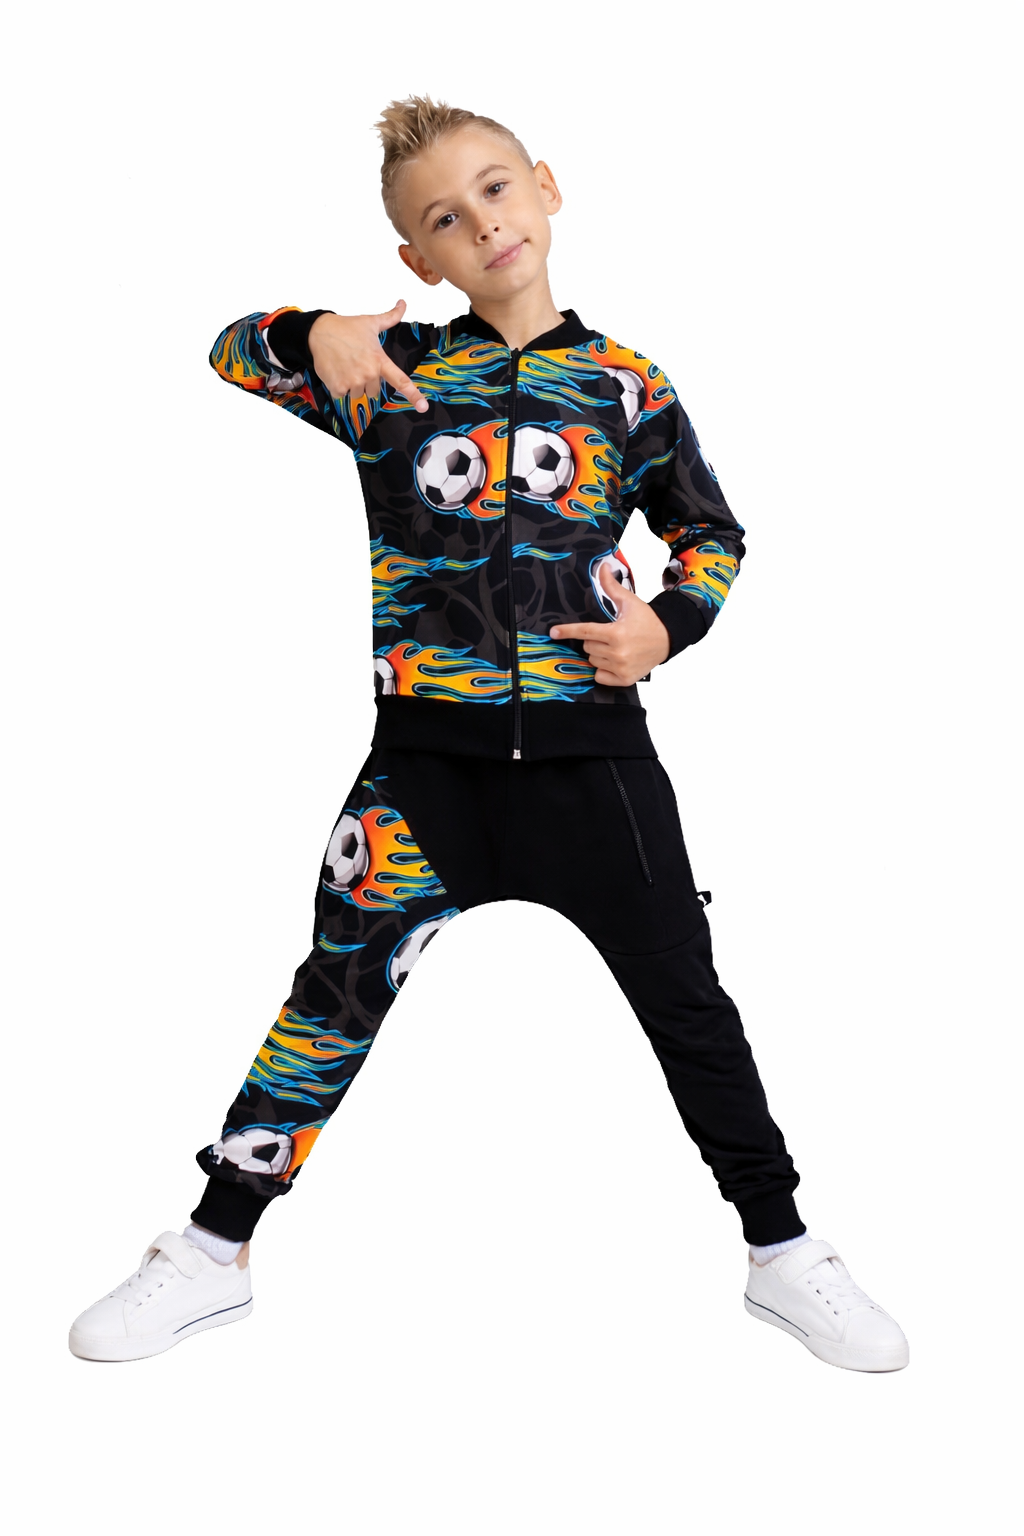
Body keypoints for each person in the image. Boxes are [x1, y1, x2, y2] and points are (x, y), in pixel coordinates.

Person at [69, 96, 908, 1372]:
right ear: (418, 257)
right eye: (444, 219)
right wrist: (313, 330)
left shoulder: (625, 383)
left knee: (689, 1006)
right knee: (329, 999)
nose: (483, 225)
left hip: (594, 764)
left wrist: (666, 630)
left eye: (496, 190)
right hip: (422, 774)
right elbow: (228, 352)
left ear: (546, 189)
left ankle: (783, 1251)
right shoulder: (389, 375)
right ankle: (211, 1249)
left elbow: (711, 532)